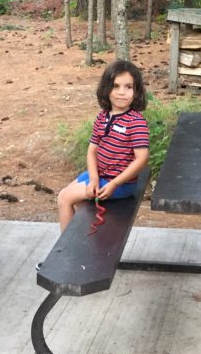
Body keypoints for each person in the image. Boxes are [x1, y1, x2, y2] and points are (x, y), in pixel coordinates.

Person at [56, 59, 149, 232]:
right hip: (100, 176)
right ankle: (77, 238)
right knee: (70, 193)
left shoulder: (136, 122)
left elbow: (142, 159)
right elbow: (92, 152)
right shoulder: (102, 117)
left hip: (120, 184)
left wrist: (114, 184)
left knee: (64, 198)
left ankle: (65, 252)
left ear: (136, 92)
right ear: (106, 89)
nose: (122, 92)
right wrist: (93, 178)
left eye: (128, 87)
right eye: (116, 86)